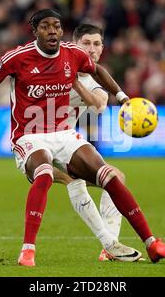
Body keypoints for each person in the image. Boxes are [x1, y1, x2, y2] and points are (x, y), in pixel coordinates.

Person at [0, 9, 165, 267]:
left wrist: (123, 98)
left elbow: (98, 71)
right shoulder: (19, 57)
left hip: (65, 134)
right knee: (44, 172)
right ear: (35, 31)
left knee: (109, 176)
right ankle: (28, 250)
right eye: (45, 26)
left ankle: (151, 244)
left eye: (56, 26)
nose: (52, 31)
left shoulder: (73, 55)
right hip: (29, 137)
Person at [53, 23, 127, 262]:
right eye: (86, 43)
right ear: (74, 44)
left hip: (64, 147)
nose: (92, 49)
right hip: (35, 143)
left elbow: (100, 103)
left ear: (103, 49)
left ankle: (110, 247)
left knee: (116, 177)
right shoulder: (52, 63)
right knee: (77, 181)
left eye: (97, 44)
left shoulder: (96, 84)